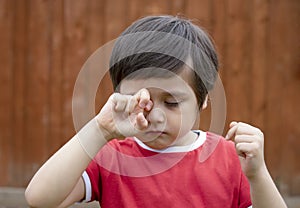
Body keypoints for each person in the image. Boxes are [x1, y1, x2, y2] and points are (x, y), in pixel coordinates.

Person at [25, 15, 287, 208]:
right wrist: (100, 129)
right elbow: (39, 199)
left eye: (172, 103)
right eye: (142, 101)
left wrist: (258, 174)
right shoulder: (112, 156)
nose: (156, 116)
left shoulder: (230, 159)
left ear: (203, 99)